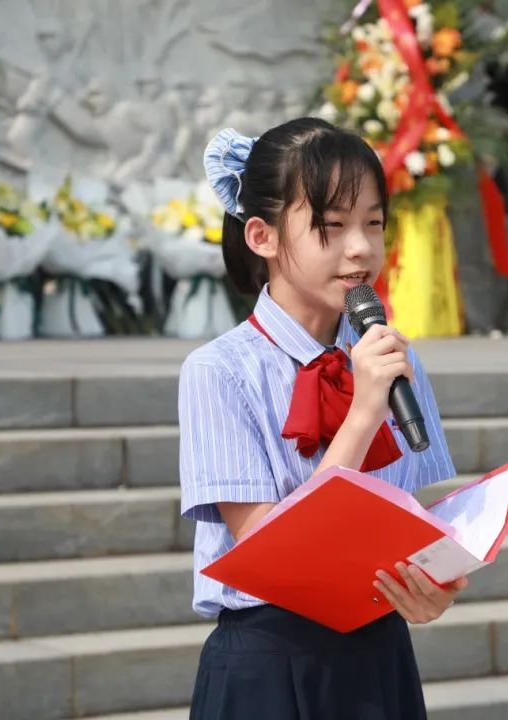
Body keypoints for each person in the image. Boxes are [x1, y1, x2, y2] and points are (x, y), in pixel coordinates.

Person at [180, 117, 466, 719]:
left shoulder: (390, 355)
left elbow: (407, 516)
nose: (360, 248)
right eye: (331, 227)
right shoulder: (221, 371)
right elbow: (270, 549)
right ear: (261, 236)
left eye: (373, 223)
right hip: (267, 664)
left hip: (378, 654)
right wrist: (363, 412)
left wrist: (434, 579)